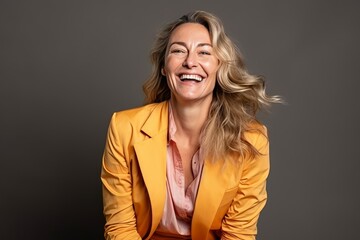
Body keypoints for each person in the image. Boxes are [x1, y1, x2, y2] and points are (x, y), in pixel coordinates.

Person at [101, 10, 281, 240]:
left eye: (204, 52)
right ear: (164, 67)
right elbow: (120, 229)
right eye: (178, 50)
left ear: (219, 67)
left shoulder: (251, 140)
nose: (190, 62)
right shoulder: (124, 128)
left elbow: (239, 235)